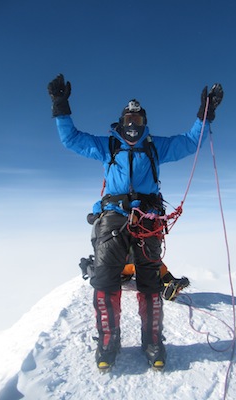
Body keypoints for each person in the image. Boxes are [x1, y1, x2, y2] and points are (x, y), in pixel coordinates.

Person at [47, 74, 223, 372]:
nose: (132, 122)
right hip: (113, 216)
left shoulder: (157, 147)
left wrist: (205, 114)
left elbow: (191, 141)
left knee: (150, 283)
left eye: (137, 117)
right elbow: (71, 139)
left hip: (148, 218)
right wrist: (61, 106)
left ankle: (152, 341)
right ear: (121, 120)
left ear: (143, 121)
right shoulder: (108, 146)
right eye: (128, 116)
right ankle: (108, 342)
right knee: (104, 281)